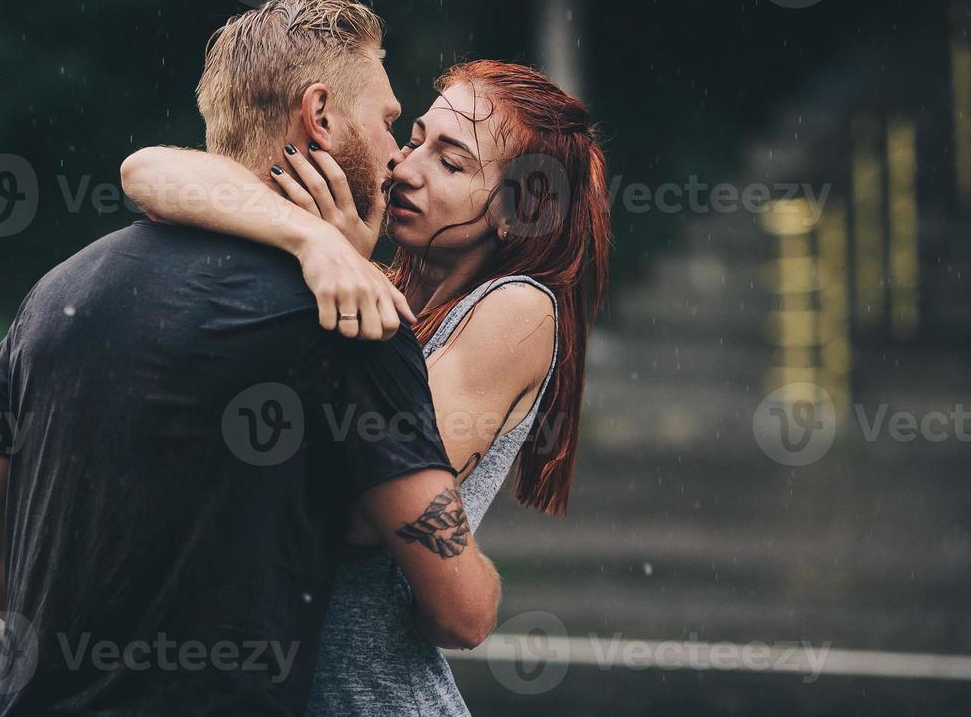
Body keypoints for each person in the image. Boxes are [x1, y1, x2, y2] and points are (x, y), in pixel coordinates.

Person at [0, 0, 503, 716]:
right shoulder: (351, 318)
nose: (396, 157)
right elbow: (462, 613)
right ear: (321, 115)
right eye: (390, 123)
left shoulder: (56, 294)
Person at [120, 56, 610, 715]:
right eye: (414, 141)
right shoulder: (359, 275)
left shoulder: (518, 309)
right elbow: (145, 172)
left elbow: (364, 503)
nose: (404, 170)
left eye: (451, 162)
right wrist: (309, 240)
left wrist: (344, 257)